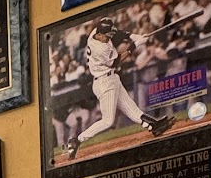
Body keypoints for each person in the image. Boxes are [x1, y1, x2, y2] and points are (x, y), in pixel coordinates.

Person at [61, 22, 172, 160]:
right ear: (99, 35)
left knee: (131, 107)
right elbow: (116, 62)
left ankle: (153, 126)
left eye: (109, 35)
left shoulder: (96, 31)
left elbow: (117, 32)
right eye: (106, 36)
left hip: (112, 78)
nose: (109, 38)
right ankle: (76, 140)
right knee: (108, 121)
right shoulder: (99, 49)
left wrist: (132, 35)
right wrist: (135, 45)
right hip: (104, 82)